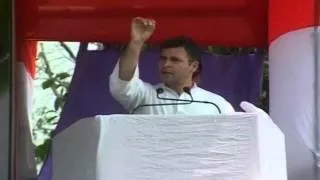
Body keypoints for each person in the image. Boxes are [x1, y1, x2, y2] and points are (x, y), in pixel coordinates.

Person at [109, 17, 235, 115]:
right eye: (163, 59)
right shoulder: (144, 97)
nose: (166, 64)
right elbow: (123, 83)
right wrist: (137, 42)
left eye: (175, 60)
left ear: (194, 66)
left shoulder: (216, 105)